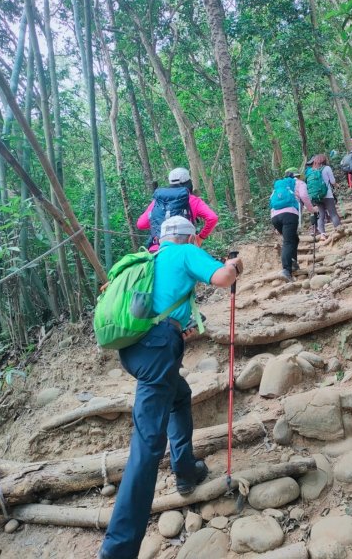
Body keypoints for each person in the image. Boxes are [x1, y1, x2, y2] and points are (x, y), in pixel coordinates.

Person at [98, 216, 243, 559]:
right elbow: (222, 278)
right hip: (157, 351)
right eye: (195, 239)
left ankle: (185, 471)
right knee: (147, 448)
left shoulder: (150, 257)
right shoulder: (183, 253)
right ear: (188, 237)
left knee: (180, 396)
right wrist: (235, 264)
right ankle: (118, 549)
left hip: (132, 351)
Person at [137, 167, 218, 251]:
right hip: (185, 249)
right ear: (188, 183)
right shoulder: (192, 200)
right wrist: (201, 237)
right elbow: (212, 218)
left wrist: (159, 224)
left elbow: (141, 224)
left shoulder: (158, 201)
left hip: (158, 249)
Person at [271, 167, 318, 282]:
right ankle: (286, 270)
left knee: (294, 239)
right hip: (289, 214)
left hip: (275, 216)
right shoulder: (299, 183)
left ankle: (293, 263)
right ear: (298, 176)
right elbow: (305, 196)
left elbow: (271, 200)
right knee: (288, 242)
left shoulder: (279, 186)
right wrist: (312, 209)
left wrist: (275, 224)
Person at [309, 154, 341, 241]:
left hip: (317, 196)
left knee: (321, 215)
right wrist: (337, 185)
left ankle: (322, 234)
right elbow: (333, 181)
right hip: (327, 195)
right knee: (333, 213)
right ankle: (338, 230)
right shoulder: (327, 168)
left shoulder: (312, 170)